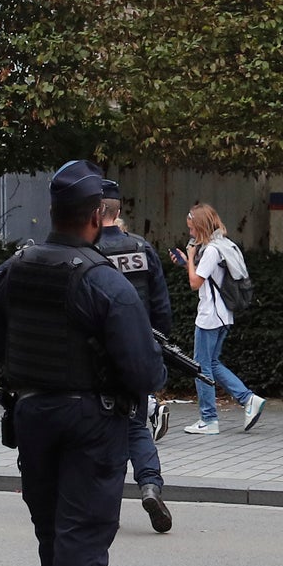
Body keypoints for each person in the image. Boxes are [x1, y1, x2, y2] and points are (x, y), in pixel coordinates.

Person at [0, 160, 166, 566]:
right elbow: (144, 373)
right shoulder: (104, 281)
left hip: (31, 414)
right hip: (92, 423)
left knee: (52, 533)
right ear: (97, 215)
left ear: (53, 213)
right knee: (81, 537)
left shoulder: (12, 270)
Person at [94, 178, 174, 533]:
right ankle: (150, 485)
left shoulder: (85, 250)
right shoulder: (141, 249)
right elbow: (162, 307)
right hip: (138, 352)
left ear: (94, 211)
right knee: (136, 425)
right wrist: (157, 349)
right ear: (118, 210)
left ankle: (100, 502)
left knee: (96, 429)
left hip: (95, 359)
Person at [168, 202, 266, 435]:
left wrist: (190, 257)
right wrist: (186, 263)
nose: (190, 233)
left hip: (210, 317)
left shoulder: (211, 250)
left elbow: (195, 283)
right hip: (223, 315)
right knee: (211, 363)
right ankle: (248, 399)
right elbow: (208, 277)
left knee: (200, 368)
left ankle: (208, 419)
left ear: (201, 227)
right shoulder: (224, 244)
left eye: (192, 229)